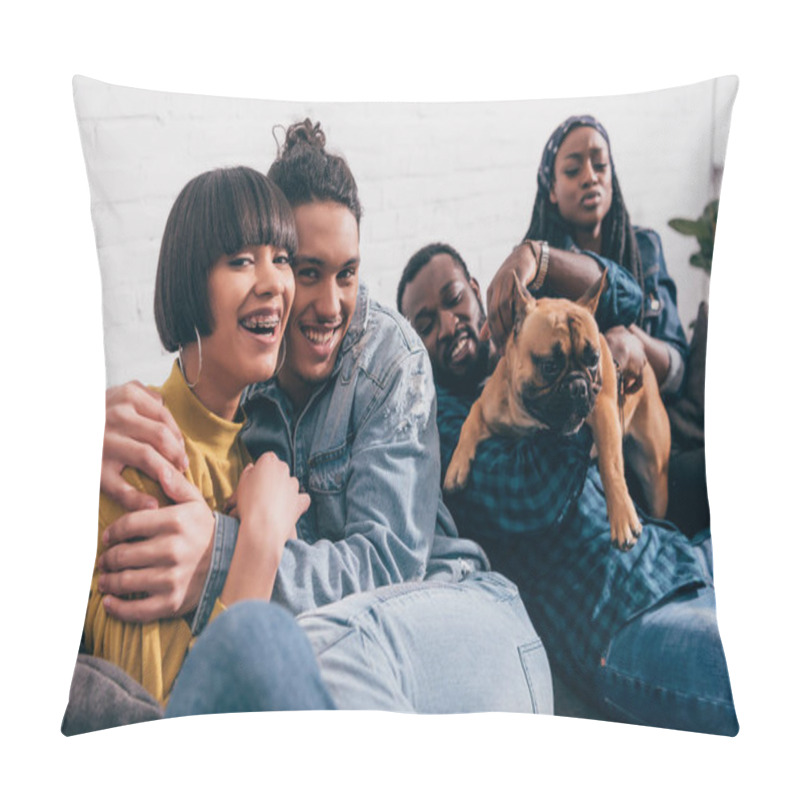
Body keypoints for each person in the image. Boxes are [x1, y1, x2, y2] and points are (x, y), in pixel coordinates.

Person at [92, 120, 551, 714]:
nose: (329, 305)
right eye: (305, 269)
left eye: (348, 273)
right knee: (301, 656)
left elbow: (389, 569)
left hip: (455, 615)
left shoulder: (389, 359)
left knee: (318, 647)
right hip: (348, 656)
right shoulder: (229, 405)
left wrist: (224, 554)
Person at [397, 241, 738, 736]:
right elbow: (536, 490)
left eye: (454, 300)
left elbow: (627, 300)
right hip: (619, 621)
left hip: (678, 560)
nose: (449, 325)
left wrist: (541, 258)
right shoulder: (444, 426)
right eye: (425, 324)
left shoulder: (537, 329)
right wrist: (600, 377)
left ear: (479, 293)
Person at [75, 166, 336, 728]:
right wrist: (259, 543)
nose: (273, 282)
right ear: (190, 283)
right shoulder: (138, 450)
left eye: (282, 258)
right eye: (241, 260)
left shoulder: (251, 464)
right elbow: (155, 717)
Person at [483, 115, 707, 533]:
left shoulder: (646, 248)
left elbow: (678, 365)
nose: (590, 177)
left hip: (662, 438)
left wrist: (631, 343)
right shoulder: (537, 287)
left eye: (599, 165)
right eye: (572, 169)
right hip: (583, 460)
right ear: (550, 189)